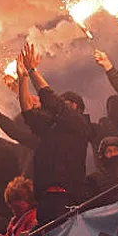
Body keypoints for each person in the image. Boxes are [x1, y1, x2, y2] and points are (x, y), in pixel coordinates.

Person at [16, 43, 91, 225]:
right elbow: (27, 111)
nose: (64, 105)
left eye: (69, 103)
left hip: (68, 197)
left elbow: (50, 99)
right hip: (45, 199)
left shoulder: (79, 124)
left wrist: (33, 70)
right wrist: (23, 79)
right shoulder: (51, 127)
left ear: (78, 109)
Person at [84, 137, 118, 208]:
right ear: (102, 155)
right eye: (109, 151)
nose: (113, 154)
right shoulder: (95, 179)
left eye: (116, 150)